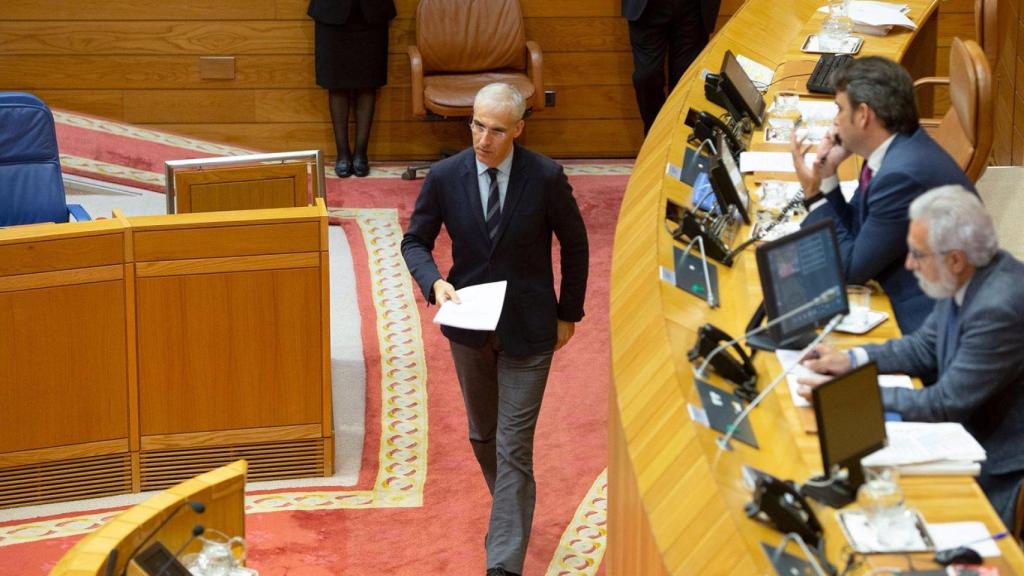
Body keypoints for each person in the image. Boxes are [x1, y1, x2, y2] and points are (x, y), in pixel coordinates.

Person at [401, 83, 589, 576]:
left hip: (529, 328)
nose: (483, 139)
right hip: (469, 326)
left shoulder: (545, 177)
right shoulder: (445, 176)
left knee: (513, 445)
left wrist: (568, 313)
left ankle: (502, 562)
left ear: (518, 129)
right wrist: (434, 281)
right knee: (483, 435)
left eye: (496, 130)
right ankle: (513, 509)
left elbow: (575, 244)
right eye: (477, 126)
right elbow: (414, 241)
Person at [797, 186, 1024, 529]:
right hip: (964, 432)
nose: (908, 264)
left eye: (917, 254)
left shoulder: (998, 307)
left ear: (955, 259)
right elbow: (923, 347)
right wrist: (851, 360)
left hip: (996, 461)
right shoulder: (968, 272)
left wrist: (845, 395)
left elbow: (944, 404)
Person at [791, 56, 975, 334]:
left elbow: (849, 271)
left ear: (863, 115)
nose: (835, 121)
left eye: (840, 109)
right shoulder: (893, 150)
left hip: (933, 322)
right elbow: (857, 231)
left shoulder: (900, 176)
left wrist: (814, 196)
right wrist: (827, 174)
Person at [307, 0, 396, 177]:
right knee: (336, 83)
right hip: (331, 13)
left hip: (373, 13)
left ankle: (361, 153)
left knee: (368, 82)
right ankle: (342, 153)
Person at [622, 0, 721, 134]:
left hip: (694, 7)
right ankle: (655, 137)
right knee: (646, 77)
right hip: (647, 8)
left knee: (686, 82)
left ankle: (679, 140)